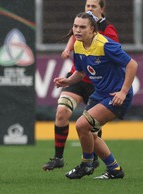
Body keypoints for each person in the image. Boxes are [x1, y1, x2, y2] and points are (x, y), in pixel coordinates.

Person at [54, 12, 137, 179]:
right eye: (75, 26)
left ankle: (86, 164)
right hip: (100, 94)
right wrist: (68, 81)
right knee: (90, 132)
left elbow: (132, 65)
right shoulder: (78, 45)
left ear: (92, 30)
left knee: (81, 125)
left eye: (82, 27)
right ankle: (114, 169)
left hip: (115, 95)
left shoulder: (105, 45)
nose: (77, 30)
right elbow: (81, 71)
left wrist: (123, 91)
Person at [42, 0, 119, 171]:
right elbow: (74, 37)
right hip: (77, 78)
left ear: (102, 9)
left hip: (97, 82)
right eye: (87, 6)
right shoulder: (81, 26)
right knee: (62, 112)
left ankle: (93, 159)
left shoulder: (108, 30)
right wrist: (68, 50)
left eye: (93, 6)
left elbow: (115, 55)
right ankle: (58, 158)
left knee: (89, 125)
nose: (89, 9)